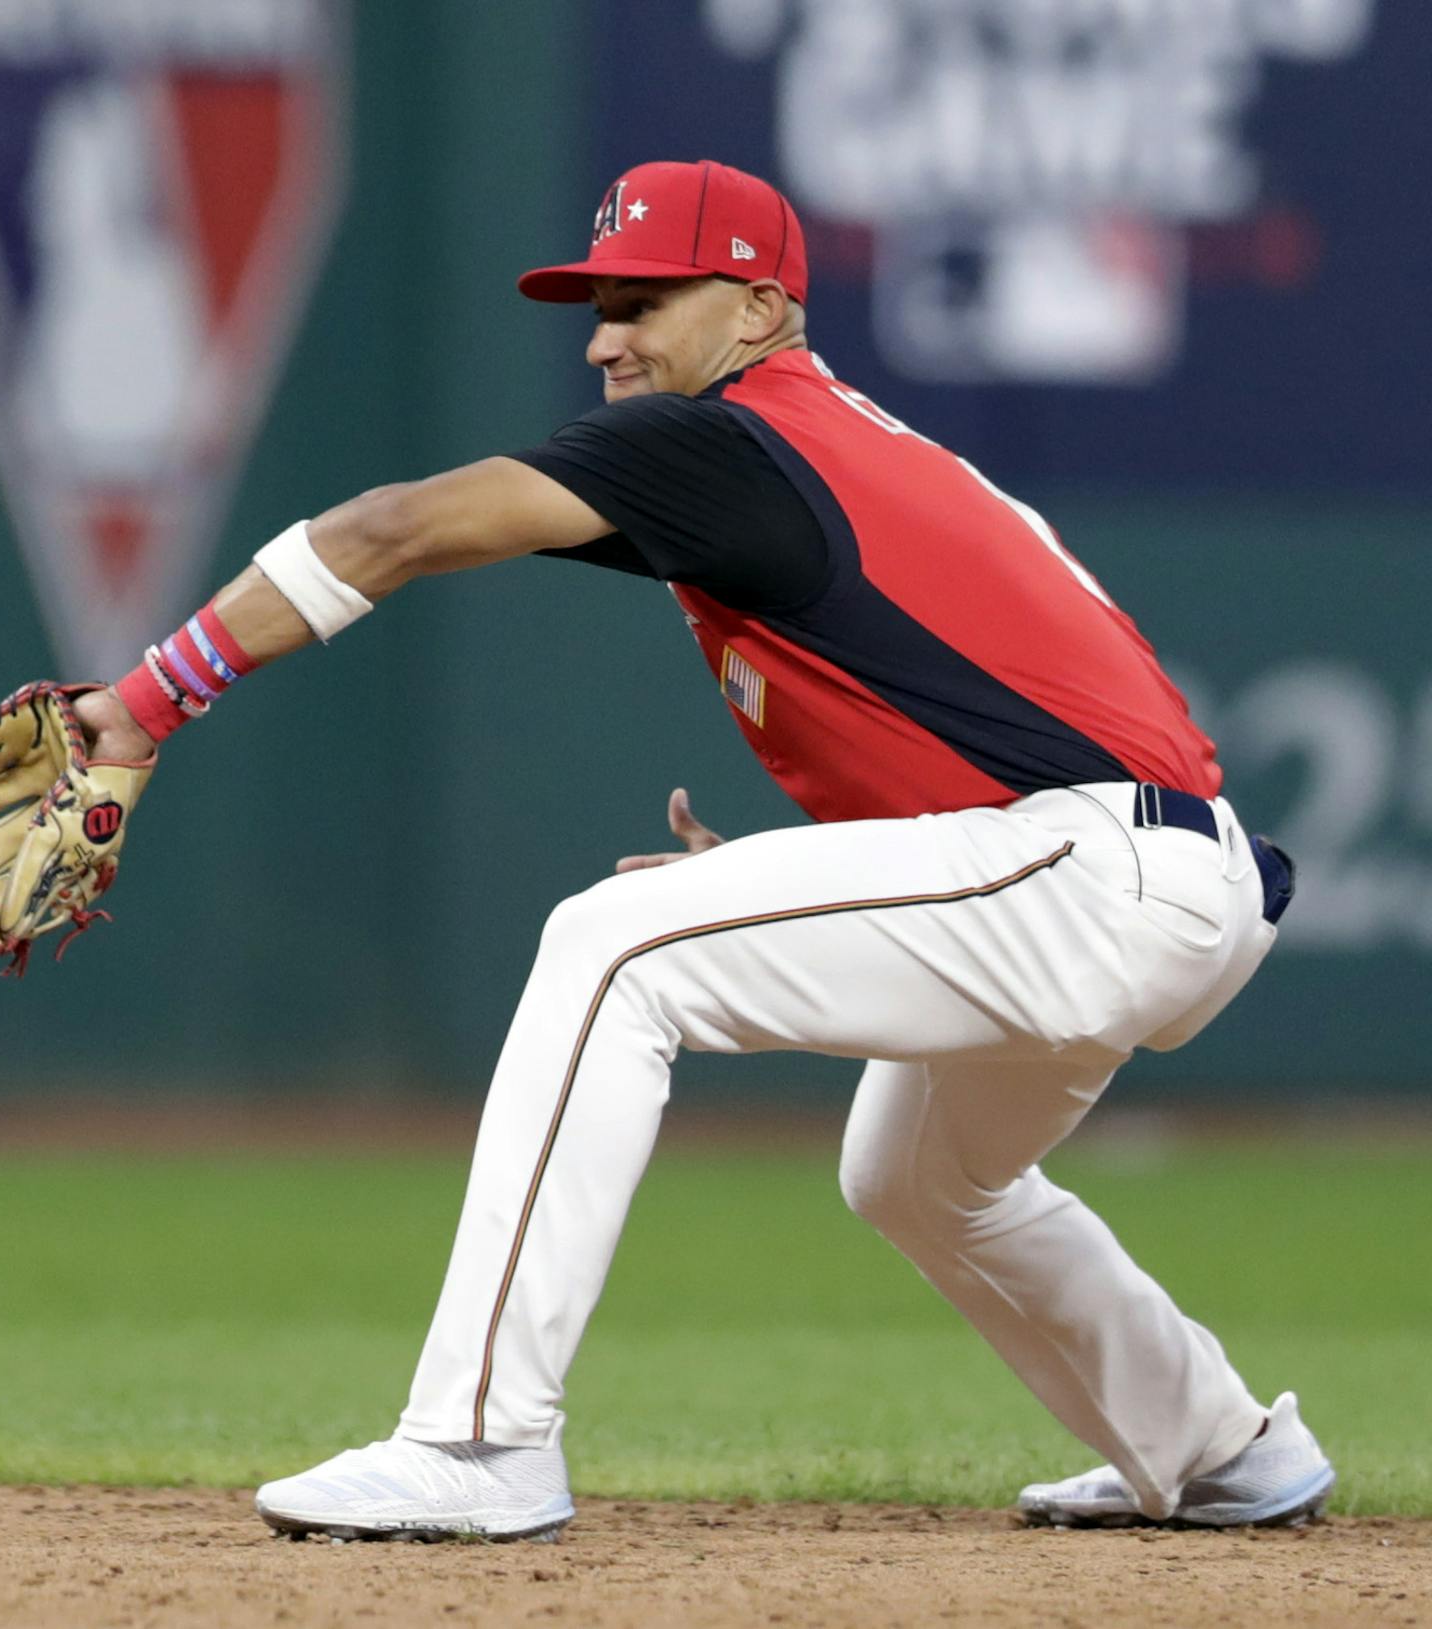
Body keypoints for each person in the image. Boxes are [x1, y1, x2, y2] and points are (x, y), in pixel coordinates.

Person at [64, 159, 1335, 1541]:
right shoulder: (814, 445)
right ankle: (1223, 1447)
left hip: (1100, 871)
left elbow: (392, 530)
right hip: (1131, 870)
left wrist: (136, 707)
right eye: (596, 302)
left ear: (757, 304)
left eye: (644, 299)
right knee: (915, 1176)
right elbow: (989, 719)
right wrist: (787, 881)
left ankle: (478, 1439)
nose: (606, 336)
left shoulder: (733, 435)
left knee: (607, 949)